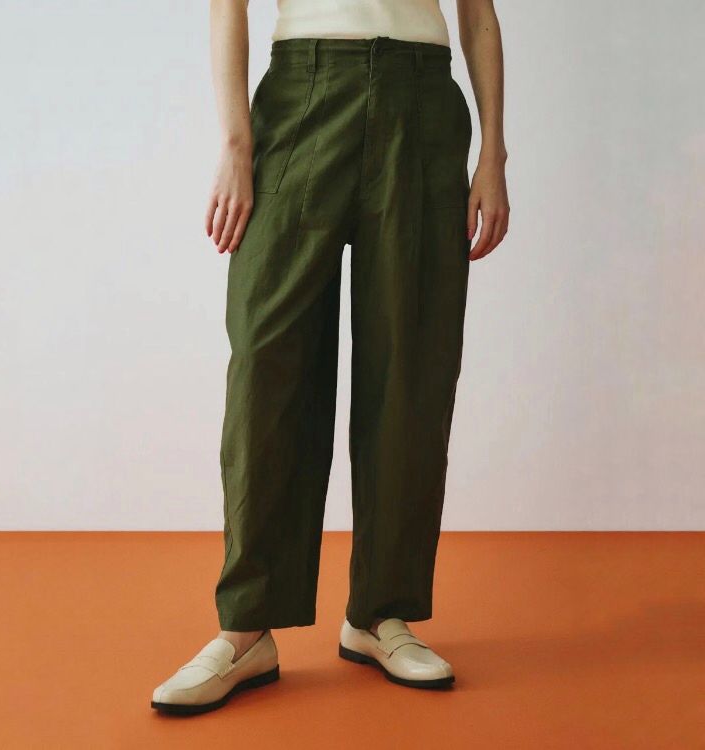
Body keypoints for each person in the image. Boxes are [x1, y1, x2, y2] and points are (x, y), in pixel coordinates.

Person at [152, 0, 509, 715]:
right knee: (267, 363)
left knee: (411, 368)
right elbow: (227, 8)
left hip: (422, 98)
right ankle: (246, 627)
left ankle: (380, 614)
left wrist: (493, 153)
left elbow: (478, 14)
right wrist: (236, 143)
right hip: (301, 92)